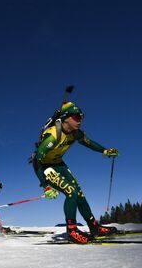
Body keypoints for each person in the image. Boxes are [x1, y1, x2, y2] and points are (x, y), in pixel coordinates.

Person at [32, 101, 119, 244]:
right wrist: (45, 185)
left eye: (82, 117)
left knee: (79, 194)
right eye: (77, 117)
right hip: (46, 166)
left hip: (60, 164)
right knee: (71, 192)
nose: (81, 120)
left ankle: (94, 227)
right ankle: (72, 231)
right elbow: (36, 160)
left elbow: (88, 142)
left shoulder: (75, 133)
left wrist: (105, 150)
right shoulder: (53, 135)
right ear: (66, 118)